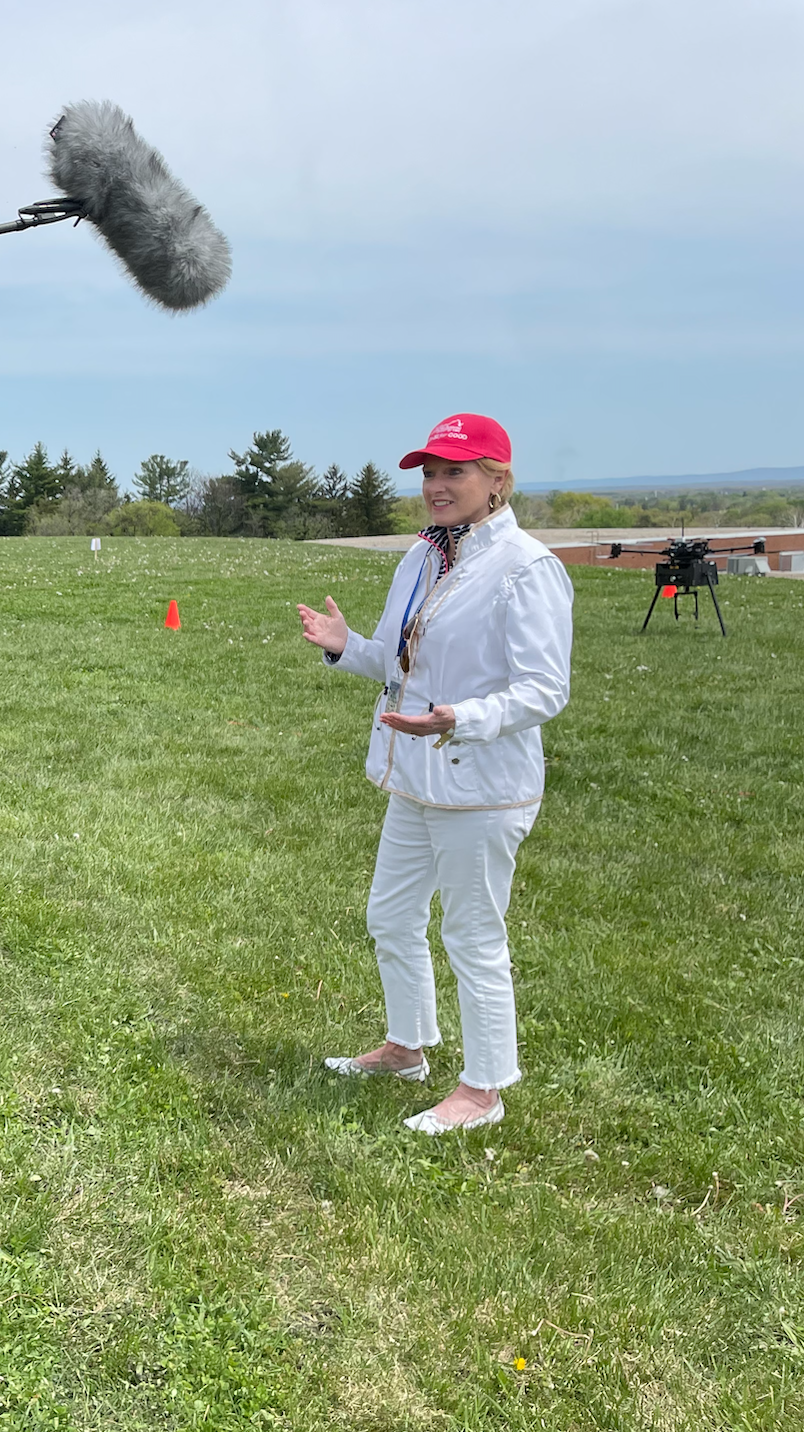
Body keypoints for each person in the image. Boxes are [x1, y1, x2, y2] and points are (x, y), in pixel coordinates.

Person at [297, 413, 573, 1135]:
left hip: (481, 784)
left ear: (496, 481)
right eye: (430, 472)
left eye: (455, 471)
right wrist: (344, 645)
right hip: (414, 777)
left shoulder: (526, 568)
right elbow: (396, 663)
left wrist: (462, 718)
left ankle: (483, 1089)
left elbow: (545, 689)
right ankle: (405, 1047)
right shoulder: (421, 558)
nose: (437, 486)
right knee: (389, 916)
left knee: (473, 936)